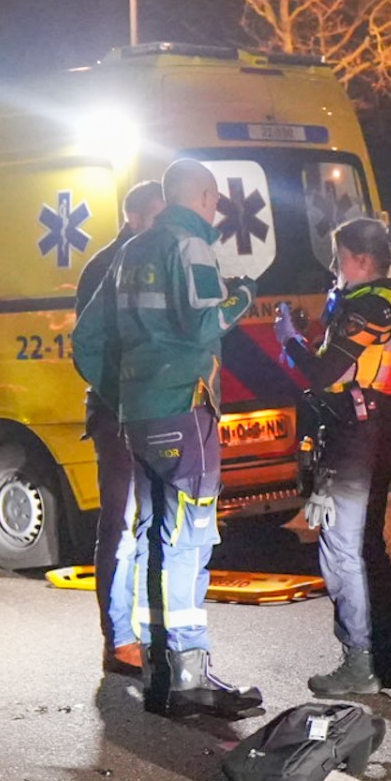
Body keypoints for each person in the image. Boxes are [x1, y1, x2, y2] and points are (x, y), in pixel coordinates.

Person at [73, 158, 262, 717]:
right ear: (202, 197)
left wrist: (128, 391)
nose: (215, 208)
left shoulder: (127, 252)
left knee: (155, 537)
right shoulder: (190, 246)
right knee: (188, 543)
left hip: (136, 415)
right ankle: (188, 677)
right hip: (184, 408)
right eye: (213, 199)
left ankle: (159, 671)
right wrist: (244, 297)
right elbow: (206, 323)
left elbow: (86, 340)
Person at [275, 217, 391, 695]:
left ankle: (359, 662)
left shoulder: (372, 307)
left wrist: (288, 338)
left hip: (357, 435)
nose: (334, 267)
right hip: (373, 429)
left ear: (359, 259)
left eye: (338, 258)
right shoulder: (380, 301)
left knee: (342, 551)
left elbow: (321, 372)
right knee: (366, 544)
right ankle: (386, 654)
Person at [72, 179, 163, 677]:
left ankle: (148, 633)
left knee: (152, 526)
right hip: (117, 413)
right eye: (155, 216)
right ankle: (118, 640)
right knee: (121, 524)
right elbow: (92, 347)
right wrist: (124, 398)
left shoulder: (154, 261)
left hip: (154, 411)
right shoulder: (105, 268)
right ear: (133, 217)